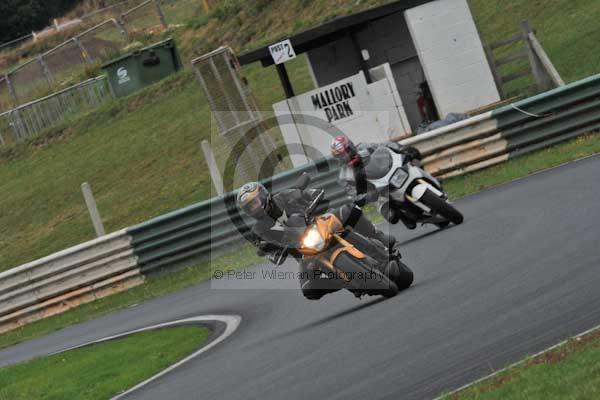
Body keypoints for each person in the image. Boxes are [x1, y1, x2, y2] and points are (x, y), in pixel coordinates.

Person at [236, 181, 398, 299]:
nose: (254, 208)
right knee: (309, 289)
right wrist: (271, 250)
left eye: (255, 202)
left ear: (264, 195)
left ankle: (378, 237)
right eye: (250, 207)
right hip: (303, 251)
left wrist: (312, 195)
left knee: (349, 210)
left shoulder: (283, 197)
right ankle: (344, 280)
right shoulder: (258, 230)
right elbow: (265, 248)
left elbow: (305, 194)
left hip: (319, 225)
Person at [331, 135, 422, 230]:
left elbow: (384, 145)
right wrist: (368, 196)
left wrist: (399, 147)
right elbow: (353, 195)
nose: (346, 156)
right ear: (338, 158)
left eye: (347, 151)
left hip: (389, 172)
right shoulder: (344, 175)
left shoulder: (364, 147)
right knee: (391, 215)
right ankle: (404, 216)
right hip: (377, 190)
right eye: (341, 156)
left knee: (412, 156)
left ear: (351, 146)